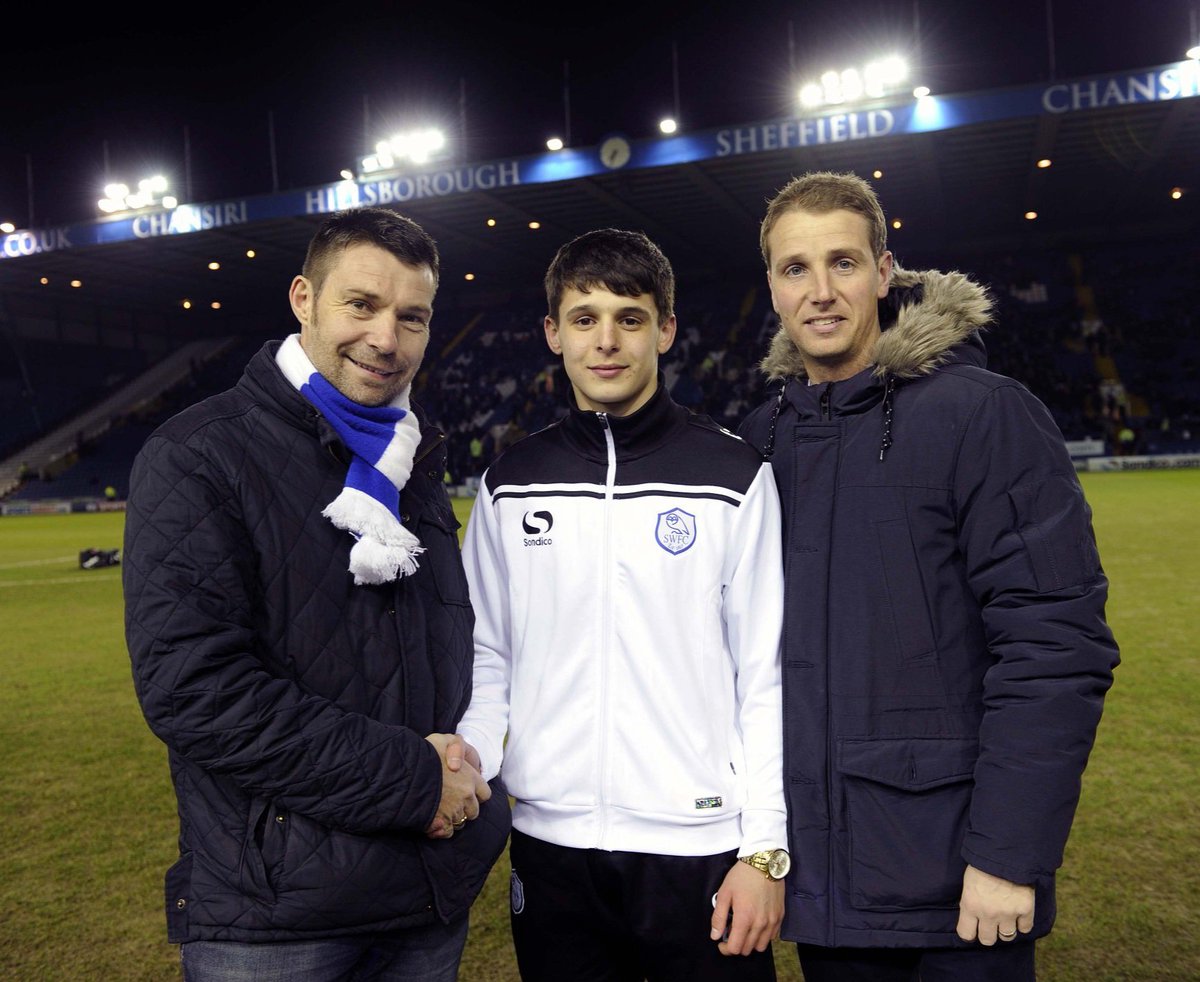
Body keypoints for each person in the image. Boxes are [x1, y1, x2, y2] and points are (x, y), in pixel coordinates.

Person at [737, 171, 1120, 981]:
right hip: (823, 888)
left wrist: (1009, 855)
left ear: (883, 273)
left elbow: (1055, 643)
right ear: (771, 286)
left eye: (843, 263)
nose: (821, 291)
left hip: (958, 888)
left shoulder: (983, 413)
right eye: (795, 269)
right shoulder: (760, 439)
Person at [123, 206, 510, 981]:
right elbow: (196, 691)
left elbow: (445, 654)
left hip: (424, 898)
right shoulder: (201, 455)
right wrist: (414, 780)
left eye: (412, 317)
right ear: (304, 299)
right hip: (276, 921)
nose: (386, 339)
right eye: (360, 306)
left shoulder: (411, 459)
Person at [453, 228, 789, 980]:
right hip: (551, 849)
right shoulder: (511, 483)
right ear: (553, 333)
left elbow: (764, 674)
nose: (606, 341)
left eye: (630, 318)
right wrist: (472, 758)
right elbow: (488, 653)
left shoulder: (734, 475)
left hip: (700, 848)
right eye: (584, 318)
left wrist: (765, 847)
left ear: (665, 330)